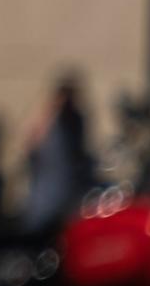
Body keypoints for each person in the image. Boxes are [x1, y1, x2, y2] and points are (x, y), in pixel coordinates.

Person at [20, 72, 98, 234]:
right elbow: (31, 144)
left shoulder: (76, 122)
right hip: (48, 190)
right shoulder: (51, 122)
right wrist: (51, 110)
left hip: (69, 190)